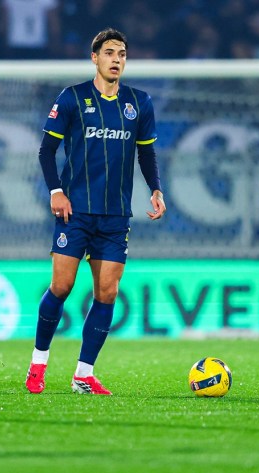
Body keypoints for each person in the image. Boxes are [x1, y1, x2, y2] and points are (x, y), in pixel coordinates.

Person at [25, 28, 166, 396]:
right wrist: (56, 191)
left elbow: (146, 152)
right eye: (109, 52)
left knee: (107, 293)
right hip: (75, 211)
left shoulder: (139, 103)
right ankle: (38, 364)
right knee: (62, 286)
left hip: (115, 216)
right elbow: (46, 151)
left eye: (122, 54)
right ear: (95, 57)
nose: (116, 59)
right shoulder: (72, 98)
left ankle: (83, 374)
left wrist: (155, 188)